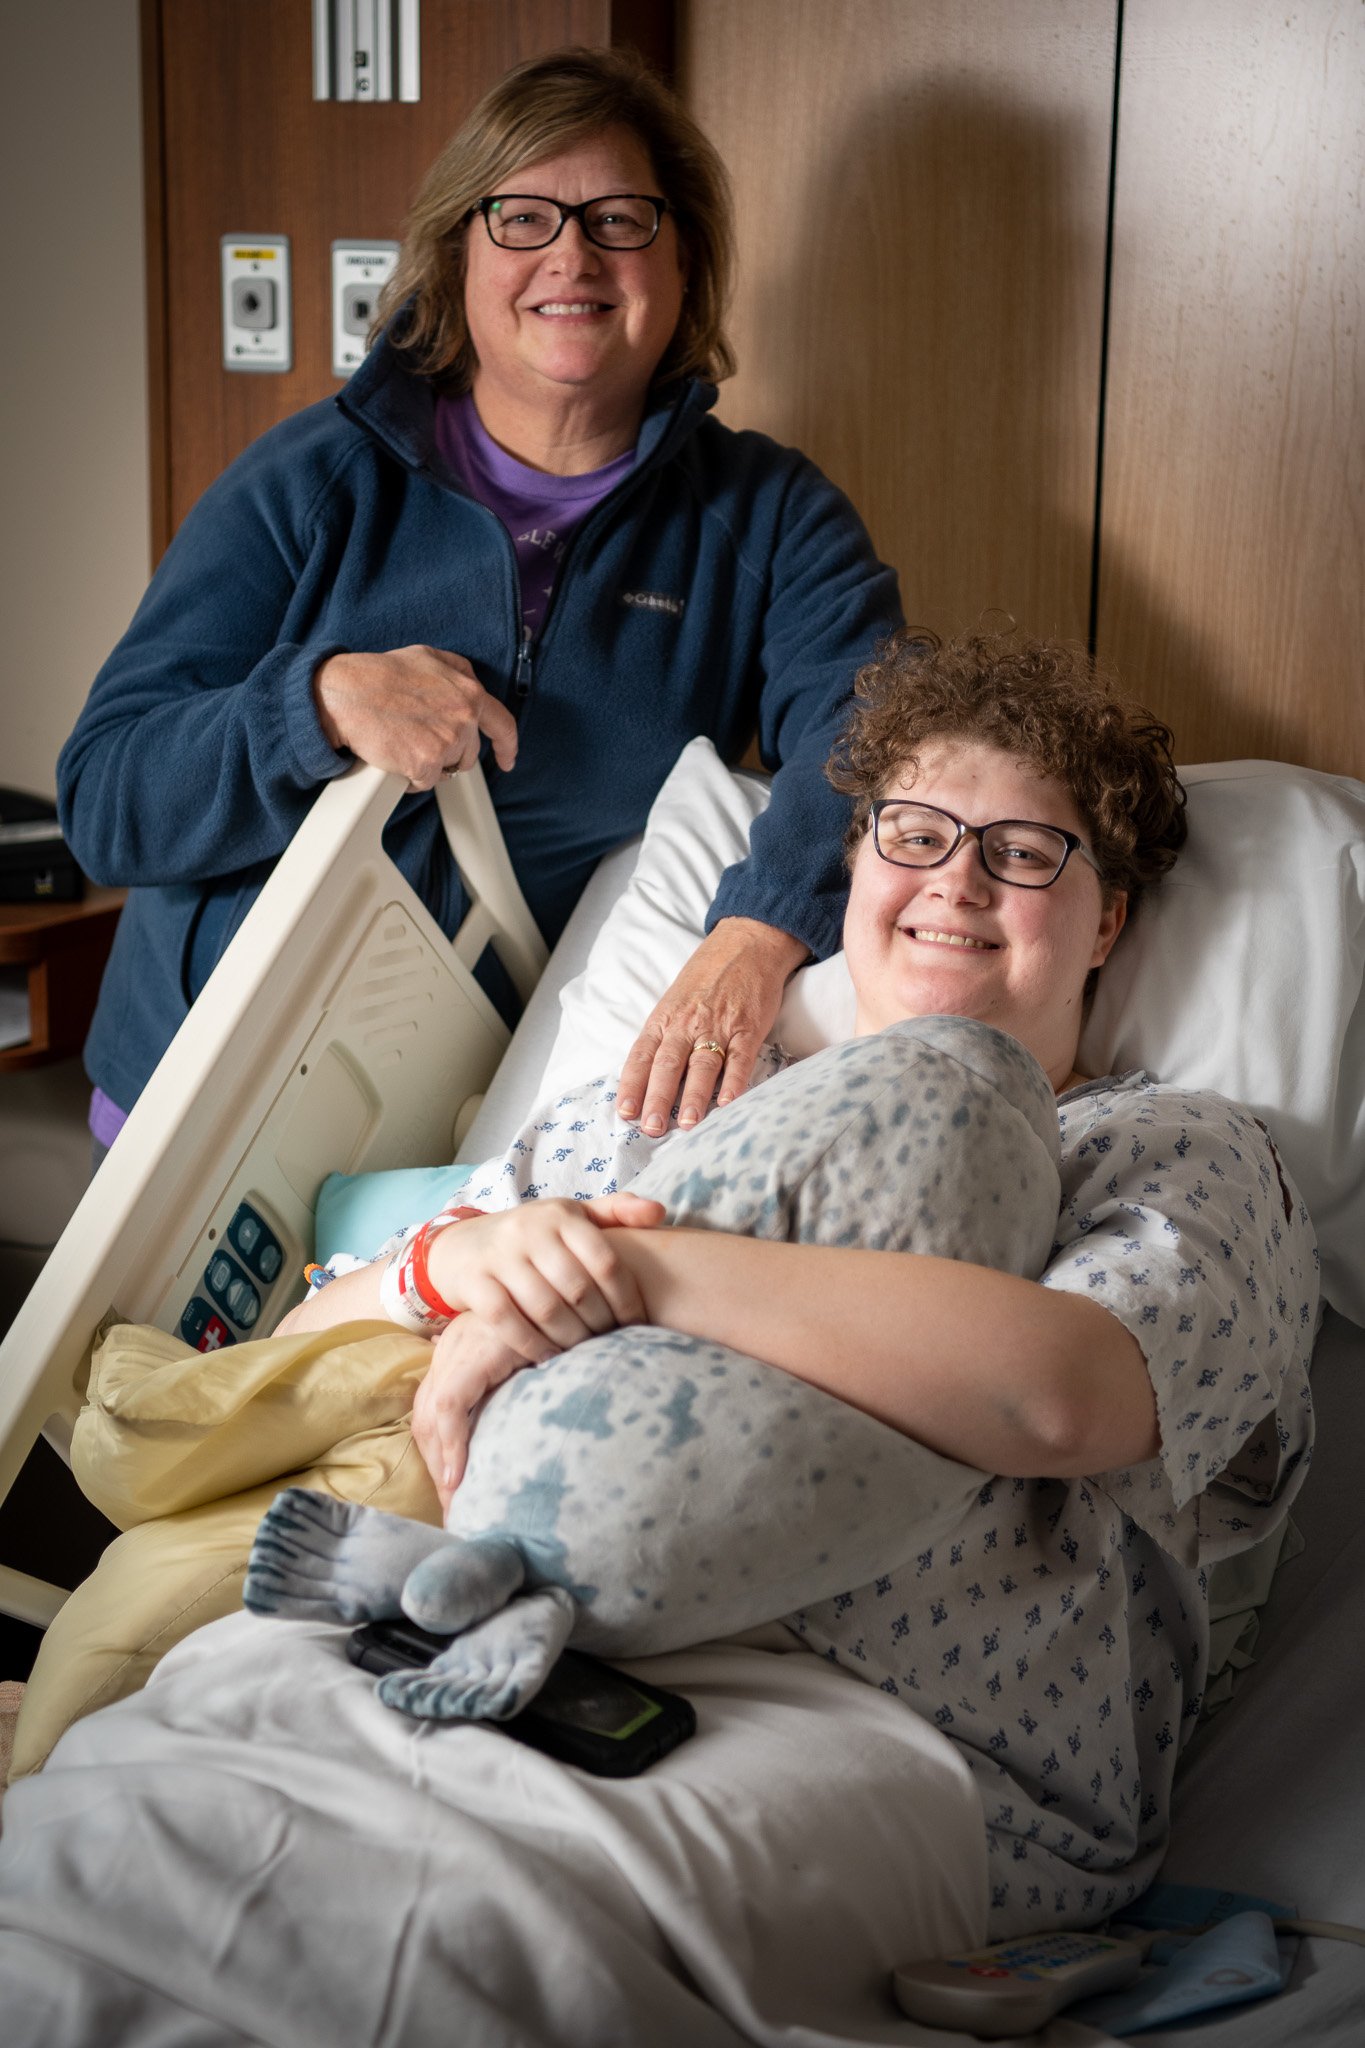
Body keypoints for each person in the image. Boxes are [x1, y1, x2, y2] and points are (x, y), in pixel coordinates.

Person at [0, 634, 1318, 2040]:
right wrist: (460, 1260)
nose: (952, 880)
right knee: (105, 1866)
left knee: (435, 1959)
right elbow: (319, 1354)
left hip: (871, 1729)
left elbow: (1070, 1393)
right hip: (451, 1614)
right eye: (916, 834)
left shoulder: (1172, 1150)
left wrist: (645, 1273)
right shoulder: (666, 1108)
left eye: (1024, 852)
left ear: (1109, 920)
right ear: (857, 867)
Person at [56, 45, 901, 1168]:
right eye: (522, 218)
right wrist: (311, 702)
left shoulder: (769, 519)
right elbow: (106, 794)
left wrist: (760, 926)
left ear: (683, 261)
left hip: (491, 1122)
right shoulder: (314, 481)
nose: (572, 255)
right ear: (458, 253)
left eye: (620, 219)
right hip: (197, 1098)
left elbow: (880, 737)